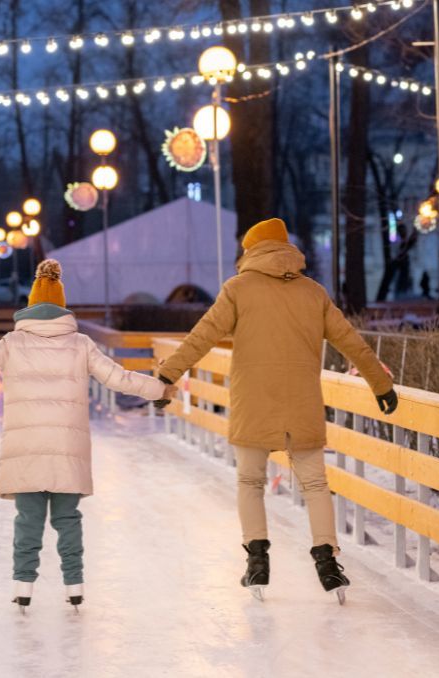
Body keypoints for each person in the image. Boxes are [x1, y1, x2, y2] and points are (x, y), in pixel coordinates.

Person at [0, 259, 176, 612]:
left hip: (26, 449)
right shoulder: (80, 344)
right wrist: (159, 390)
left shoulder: (12, 343)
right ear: (62, 307)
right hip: (66, 449)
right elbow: (119, 378)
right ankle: (74, 583)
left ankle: (23, 585)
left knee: (28, 520)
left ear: (30, 306)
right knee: (67, 519)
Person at [156, 218, 397, 603]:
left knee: (250, 482)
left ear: (251, 251)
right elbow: (351, 342)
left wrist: (167, 374)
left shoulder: (238, 289)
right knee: (316, 485)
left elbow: (202, 336)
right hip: (302, 404)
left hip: (254, 403)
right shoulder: (313, 293)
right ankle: (327, 560)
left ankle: (257, 560)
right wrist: (381, 385)